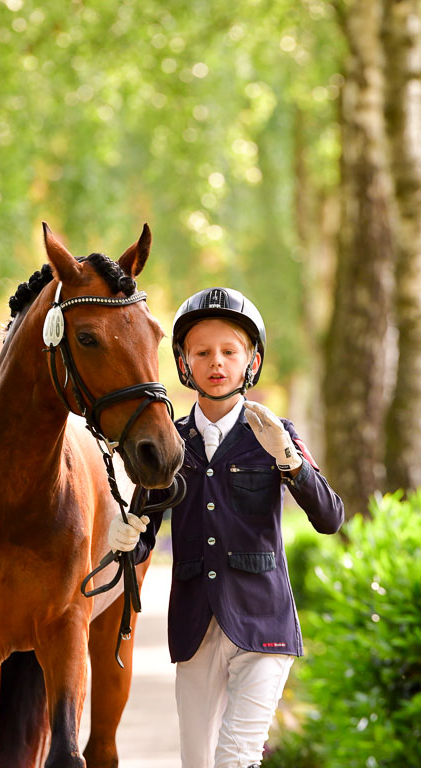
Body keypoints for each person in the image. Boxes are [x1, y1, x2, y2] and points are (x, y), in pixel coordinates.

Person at [108, 287, 344, 768]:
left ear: (250, 361)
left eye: (229, 351)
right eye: (203, 352)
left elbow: (330, 517)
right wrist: (124, 541)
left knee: (236, 758)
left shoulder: (277, 435)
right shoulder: (168, 444)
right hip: (195, 627)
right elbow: (142, 537)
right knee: (198, 762)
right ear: (184, 362)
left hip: (264, 625)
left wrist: (291, 461)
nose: (217, 362)